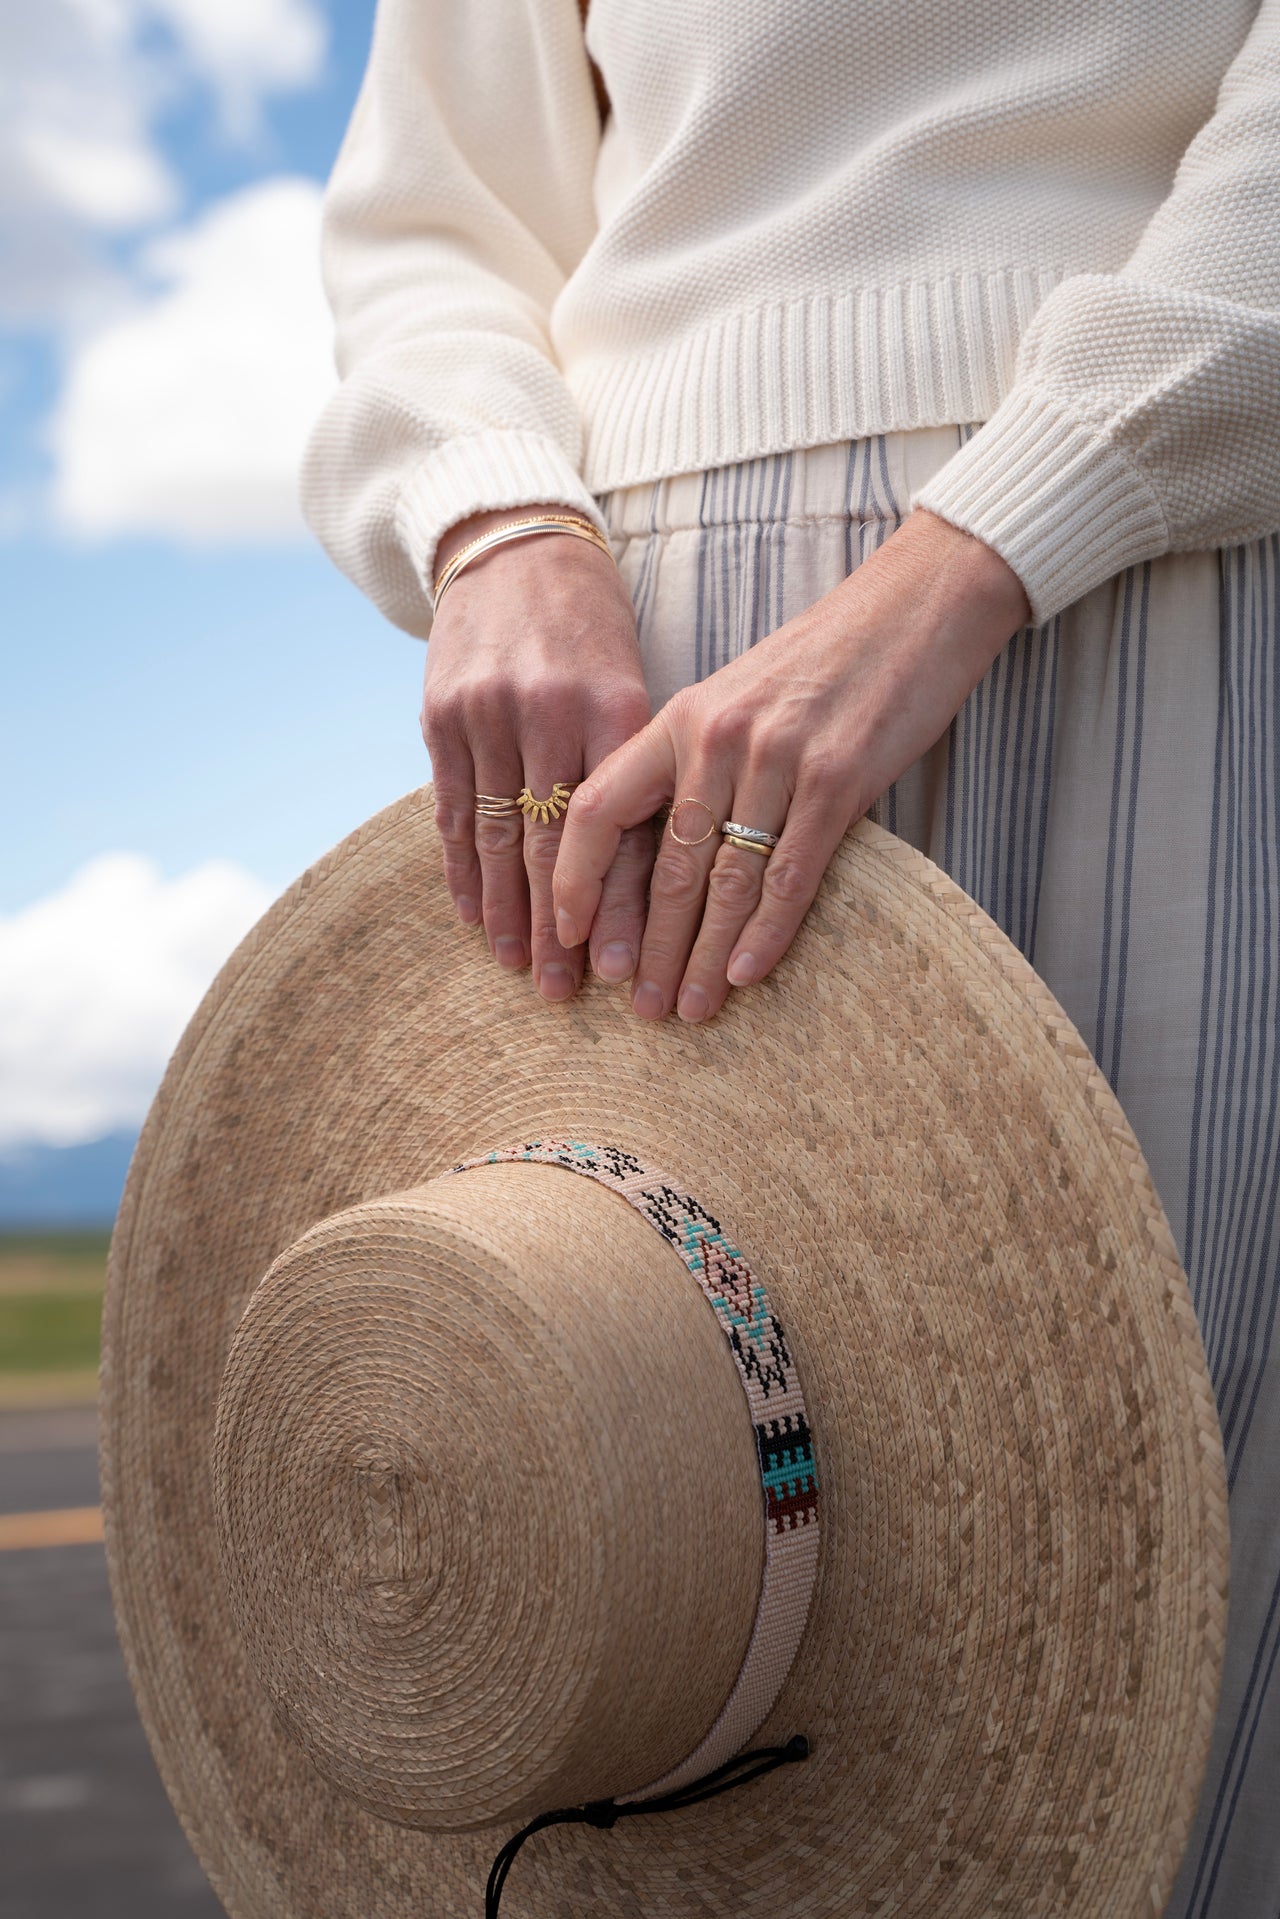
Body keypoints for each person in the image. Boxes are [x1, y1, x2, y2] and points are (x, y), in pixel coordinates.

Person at [300, 2, 1280, 1910]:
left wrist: (999, 530)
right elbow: (438, 203)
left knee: (1172, 1643)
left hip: (1168, 569)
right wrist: (495, 513)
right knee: (654, 1599)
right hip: (630, 667)